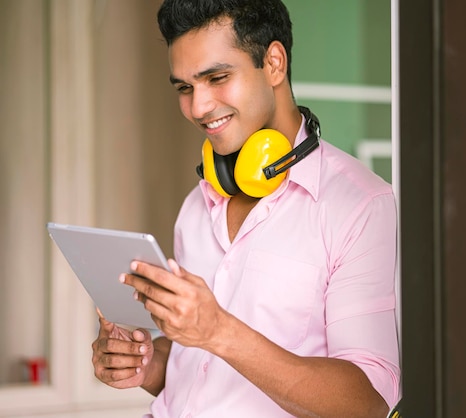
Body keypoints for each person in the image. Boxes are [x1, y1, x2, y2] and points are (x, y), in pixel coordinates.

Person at [91, 0, 400, 416]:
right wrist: (146, 363)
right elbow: (197, 369)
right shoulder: (197, 204)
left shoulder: (359, 205)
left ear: (274, 63)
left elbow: (368, 404)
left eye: (217, 77)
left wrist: (220, 331)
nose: (198, 108)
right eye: (185, 87)